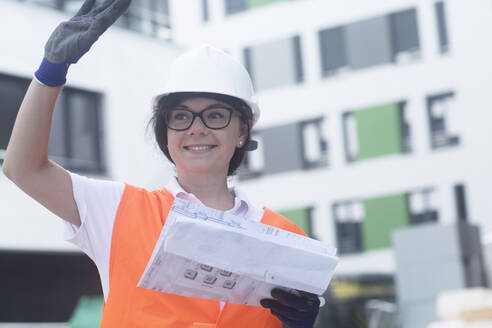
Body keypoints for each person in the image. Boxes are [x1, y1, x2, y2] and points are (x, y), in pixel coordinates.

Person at [2, 0, 321, 327]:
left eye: (215, 115)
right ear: (165, 133)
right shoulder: (116, 211)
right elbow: (23, 168)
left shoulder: (284, 238)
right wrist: (50, 72)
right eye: (181, 116)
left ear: (242, 131)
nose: (197, 128)